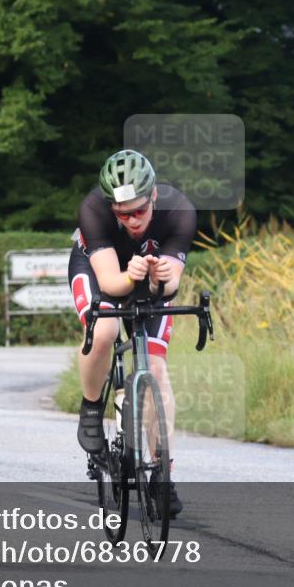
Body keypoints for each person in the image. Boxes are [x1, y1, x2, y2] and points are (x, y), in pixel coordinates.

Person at [68, 149, 196, 516]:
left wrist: (159, 278)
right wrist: (131, 275)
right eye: (122, 214)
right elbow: (109, 281)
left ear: (153, 195)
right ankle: (91, 408)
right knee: (105, 330)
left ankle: (162, 474)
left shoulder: (179, 211)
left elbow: (169, 286)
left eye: (139, 211)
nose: (132, 220)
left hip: (148, 278)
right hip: (101, 271)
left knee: (155, 368)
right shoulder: (94, 209)